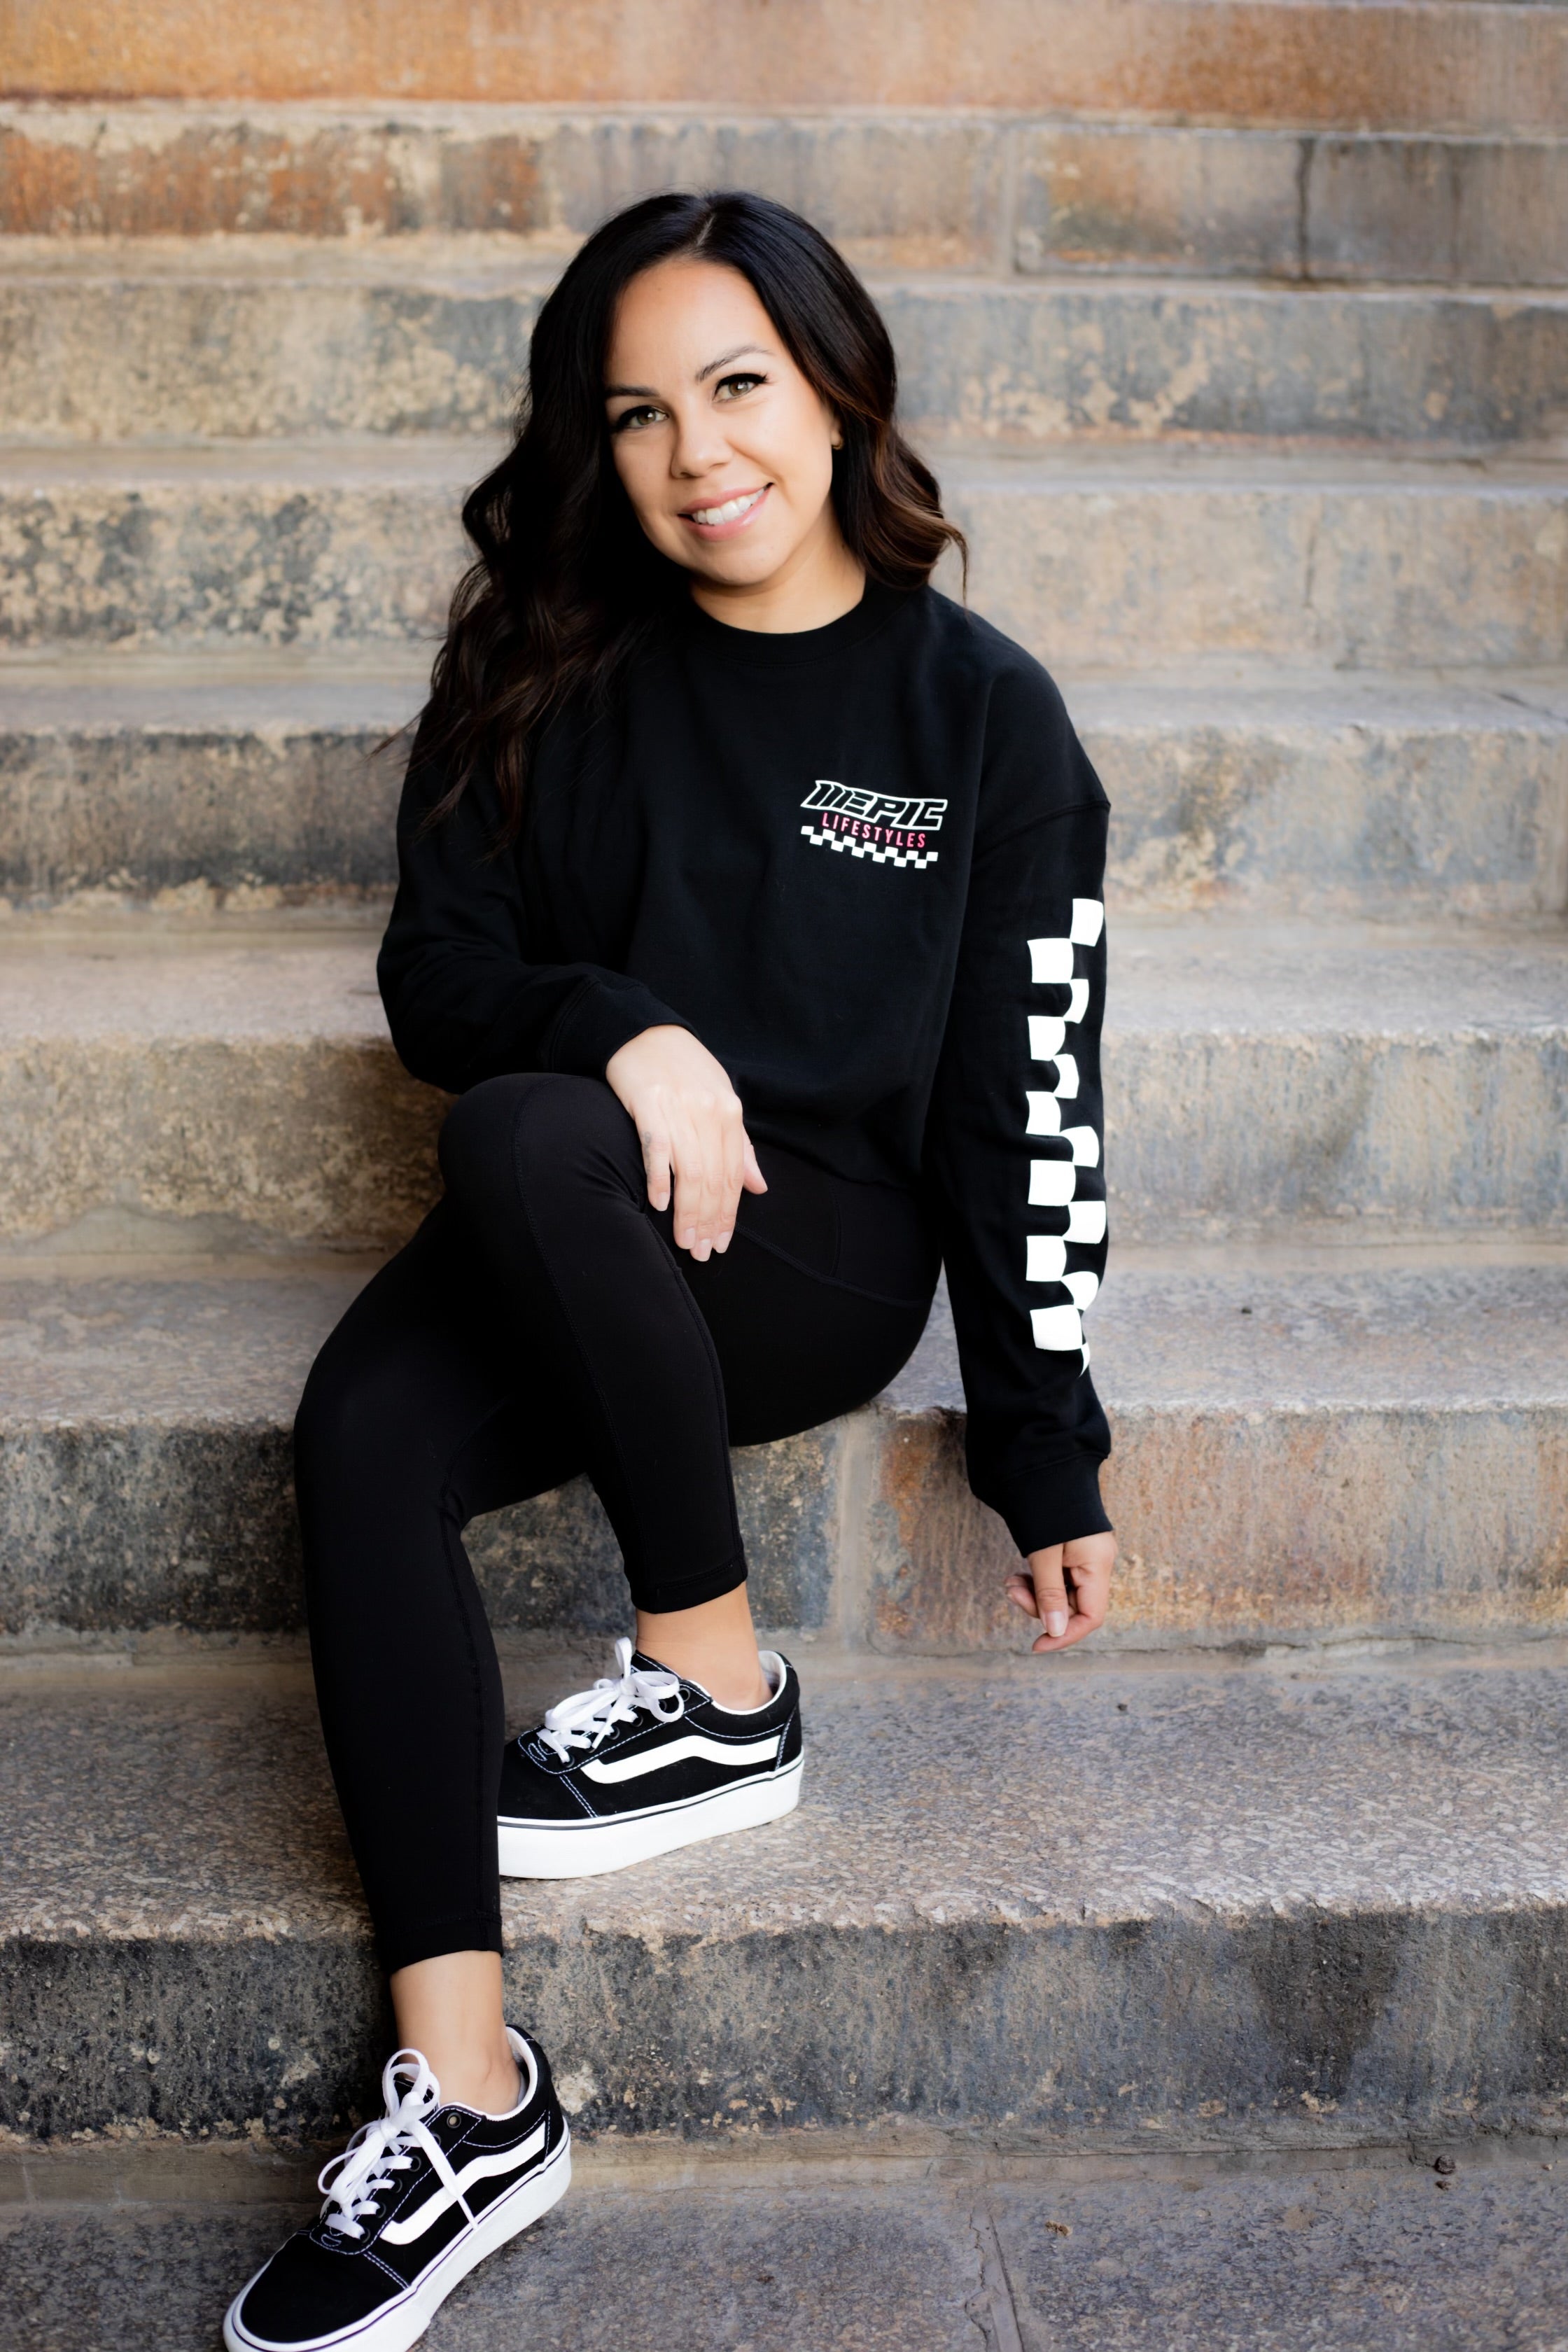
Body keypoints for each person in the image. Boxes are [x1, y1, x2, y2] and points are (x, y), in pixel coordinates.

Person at [223, 188, 1118, 2352]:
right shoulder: (546, 655)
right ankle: (466, 2099)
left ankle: (718, 1687)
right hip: (569, 1208)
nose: (695, 450)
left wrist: (1045, 1445)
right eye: (636, 412)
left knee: (525, 1137)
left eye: (738, 386)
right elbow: (441, 978)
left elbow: (1032, 1104)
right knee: (364, 1428)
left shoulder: (982, 719)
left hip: (809, 1262)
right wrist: (626, 1026)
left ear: (837, 391)